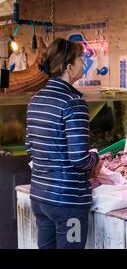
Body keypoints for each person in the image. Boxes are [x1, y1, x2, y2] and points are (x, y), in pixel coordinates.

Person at [25, 38, 102, 249]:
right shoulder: (73, 103)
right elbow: (79, 158)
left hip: (40, 197)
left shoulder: (35, 100)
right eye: (80, 59)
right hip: (68, 203)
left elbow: (30, 147)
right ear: (69, 67)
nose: (83, 63)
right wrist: (96, 159)